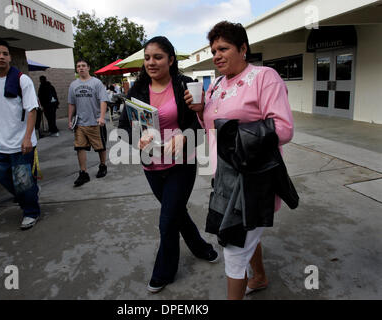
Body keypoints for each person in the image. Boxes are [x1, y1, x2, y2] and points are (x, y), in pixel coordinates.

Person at [185, 21, 294, 300]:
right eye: (213, 50)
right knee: (246, 233)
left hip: (253, 179)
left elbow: (283, 128)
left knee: (233, 247)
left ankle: (248, 280)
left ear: (243, 48)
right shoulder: (217, 85)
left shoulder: (264, 77)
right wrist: (200, 111)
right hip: (223, 177)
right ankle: (258, 277)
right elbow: (212, 127)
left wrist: (235, 140)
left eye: (223, 48)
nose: (217, 55)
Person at [119, 36, 219, 294]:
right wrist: (136, 140)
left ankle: (164, 271)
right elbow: (123, 129)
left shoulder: (185, 85)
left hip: (181, 164)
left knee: (167, 221)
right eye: (148, 57)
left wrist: (185, 135)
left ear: (171, 60)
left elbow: (202, 122)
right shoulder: (137, 90)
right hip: (152, 167)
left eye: (158, 57)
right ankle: (200, 247)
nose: (151, 62)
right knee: (176, 213)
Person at [0, 38, 41, 230]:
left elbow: (32, 109)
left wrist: (28, 137)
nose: (1, 57)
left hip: (21, 143)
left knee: (22, 180)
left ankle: (30, 212)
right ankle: (31, 192)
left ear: (10, 57)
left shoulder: (21, 79)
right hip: (0, 144)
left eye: (5, 53)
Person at [68, 59, 109, 187]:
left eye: (83, 66)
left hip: (95, 122)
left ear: (88, 68)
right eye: (78, 66)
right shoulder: (73, 85)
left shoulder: (96, 83)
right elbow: (71, 103)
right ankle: (83, 173)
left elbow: (103, 100)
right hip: (80, 123)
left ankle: (102, 166)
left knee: (100, 147)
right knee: (79, 147)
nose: (81, 68)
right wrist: (70, 120)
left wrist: (102, 117)